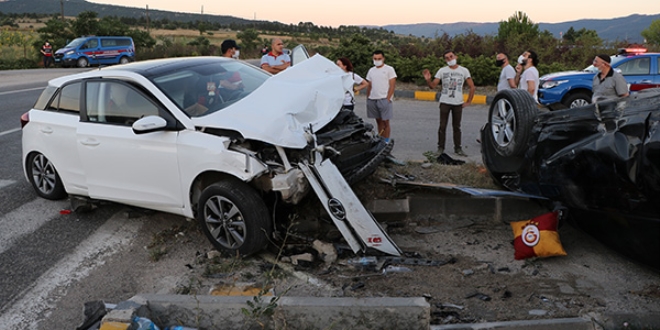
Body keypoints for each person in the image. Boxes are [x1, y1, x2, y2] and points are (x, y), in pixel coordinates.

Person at [422, 50, 475, 157]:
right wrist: (428, 80)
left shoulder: (464, 70)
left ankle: (458, 148)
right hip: (445, 102)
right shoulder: (442, 71)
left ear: (456, 57)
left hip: (458, 103)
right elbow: (433, 86)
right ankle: (440, 148)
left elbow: (472, 86)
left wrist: (469, 101)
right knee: (442, 126)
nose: (449, 59)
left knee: (457, 126)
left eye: (451, 56)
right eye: (447, 58)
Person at [365, 50, 397, 143]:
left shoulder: (389, 69)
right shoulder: (371, 70)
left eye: (379, 59)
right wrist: (368, 97)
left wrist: (388, 98)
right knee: (378, 121)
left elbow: (392, 85)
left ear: (383, 58)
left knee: (386, 122)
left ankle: (386, 141)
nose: (377, 60)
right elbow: (369, 85)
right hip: (373, 99)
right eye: (375, 59)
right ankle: (380, 139)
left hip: (384, 99)